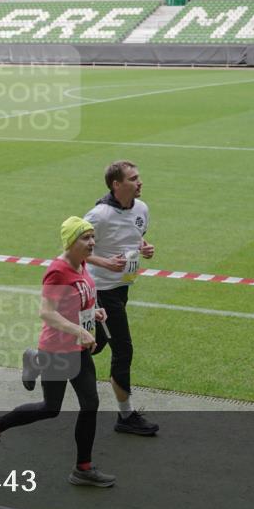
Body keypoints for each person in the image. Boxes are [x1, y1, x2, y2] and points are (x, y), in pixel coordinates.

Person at [0, 217, 114, 487]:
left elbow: (77, 300)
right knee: (51, 408)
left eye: (93, 236)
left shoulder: (82, 264)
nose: (92, 242)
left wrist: (92, 313)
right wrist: (79, 330)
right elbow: (46, 312)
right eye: (85, 238)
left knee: (91, 404)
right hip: (58, 349)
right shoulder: (58, 271)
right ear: (70, 242)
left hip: (79, 349)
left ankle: (83, 468)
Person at [81, 160, 159, 436]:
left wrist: (145, 248)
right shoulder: (99, 215)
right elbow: (72, 250)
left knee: (96, 343)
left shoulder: (141, 208)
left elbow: (135, 238)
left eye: (139, 177)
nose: (140, 182)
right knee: (123, 349)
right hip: (100, 291)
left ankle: (43, 359)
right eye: (133, 179)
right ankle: (125, 416)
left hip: (122, 287)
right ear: (117, 184)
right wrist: (103, 263)